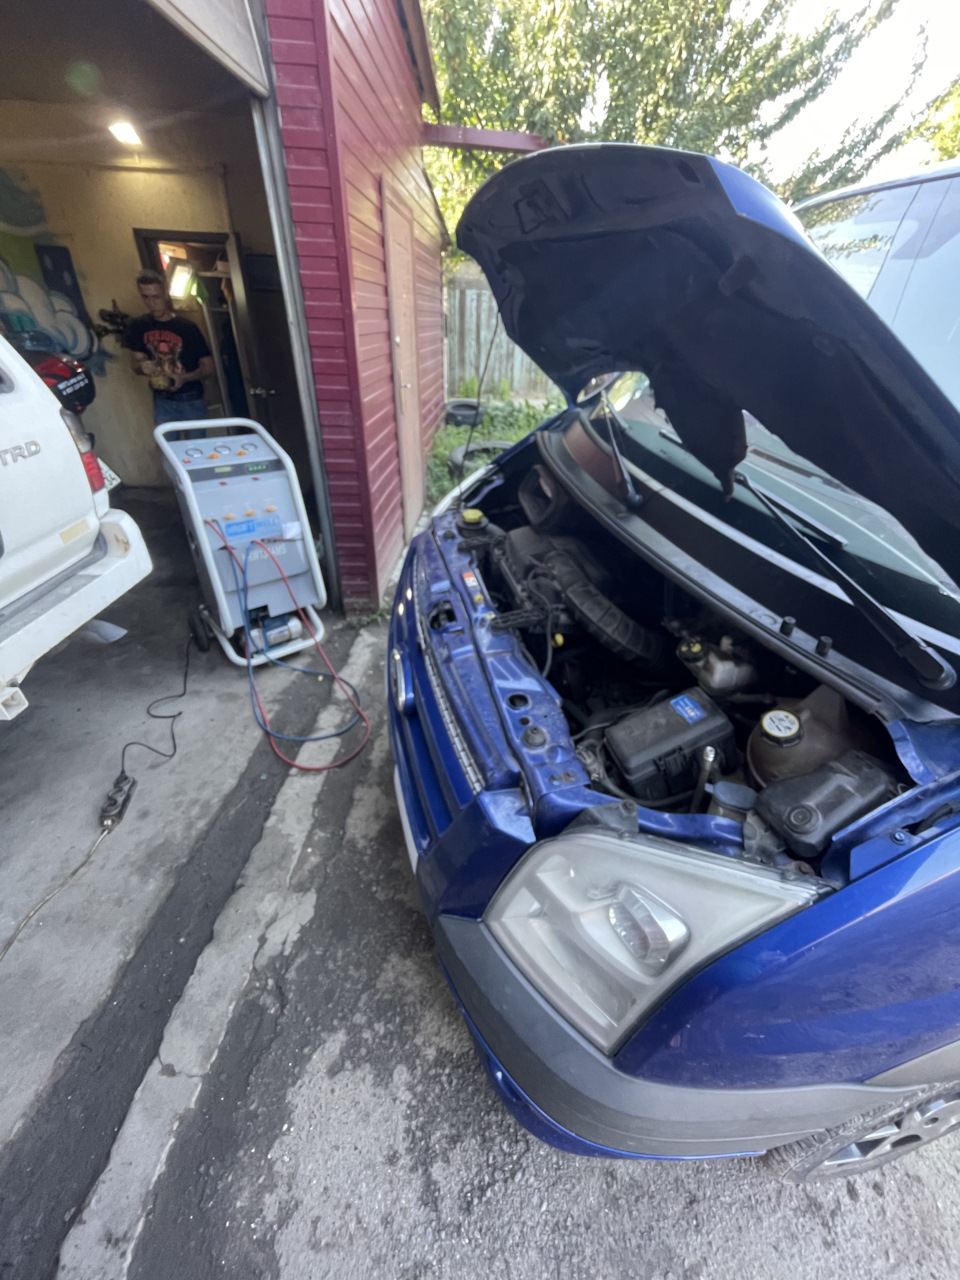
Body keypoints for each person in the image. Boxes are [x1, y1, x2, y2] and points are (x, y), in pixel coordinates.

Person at [126, 269, 214, 432]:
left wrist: (184, 378)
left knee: (195, 447)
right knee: (167, 446)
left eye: (156, 297)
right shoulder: (138, 326)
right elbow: (136, 363)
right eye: (146, 297)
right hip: (162, 400)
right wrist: (143, 366)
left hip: (191, 398)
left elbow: (208, 367)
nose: (152, 303)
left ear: (166, 294)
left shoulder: (187, 327)